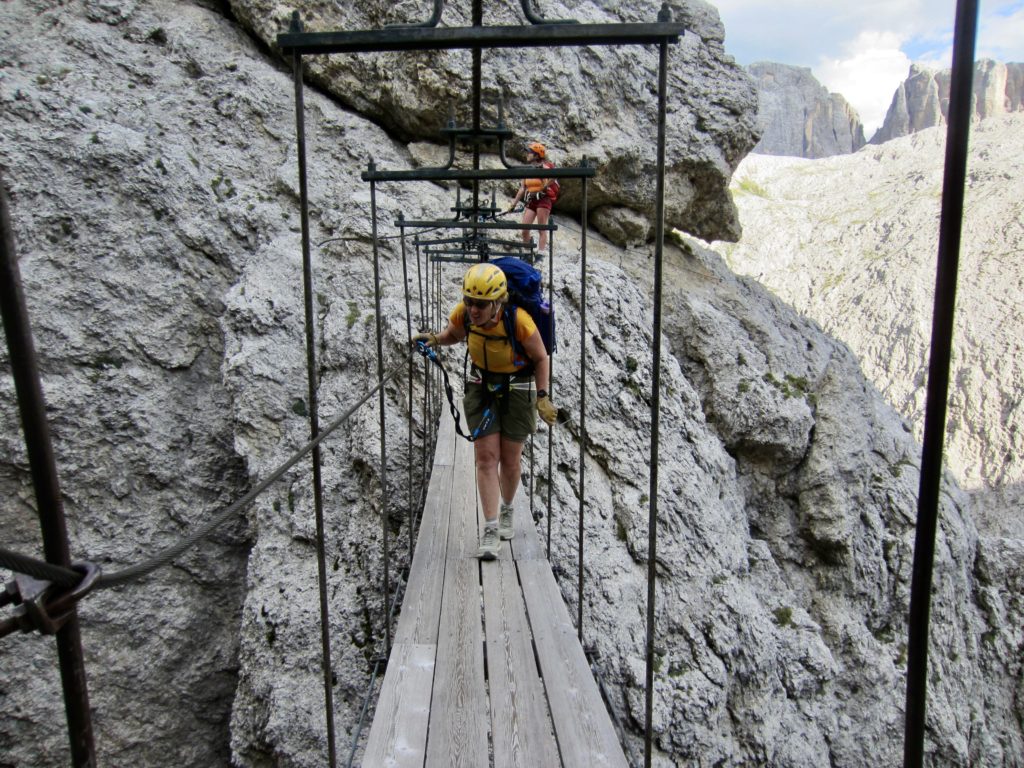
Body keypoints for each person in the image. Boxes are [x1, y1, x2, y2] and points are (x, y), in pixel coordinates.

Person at [412, 263, 558, 560]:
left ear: (497, 302)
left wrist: (542, 397)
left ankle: (507, 508)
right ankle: (491, 528)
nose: (473, 309)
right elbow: (455, 333)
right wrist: (436, 339)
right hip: (482, 387)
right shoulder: (465, 315)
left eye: (480, 304)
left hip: (518, 389)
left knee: (510, 459)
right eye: (468, 301)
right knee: (486, 458)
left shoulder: (520, 321)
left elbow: (541, 358)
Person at [507, 141, 555, 253]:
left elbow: (554, 176)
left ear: (537, 155)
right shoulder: (527, 170)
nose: (527, 155)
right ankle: (528, 253)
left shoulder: (544, 167)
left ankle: (541, 253)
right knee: (524, 229)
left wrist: (544, 187)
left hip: (543, 199)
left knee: (541, 228)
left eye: (530, 153)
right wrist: (513, 205)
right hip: (532, 200)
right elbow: (522, 189)